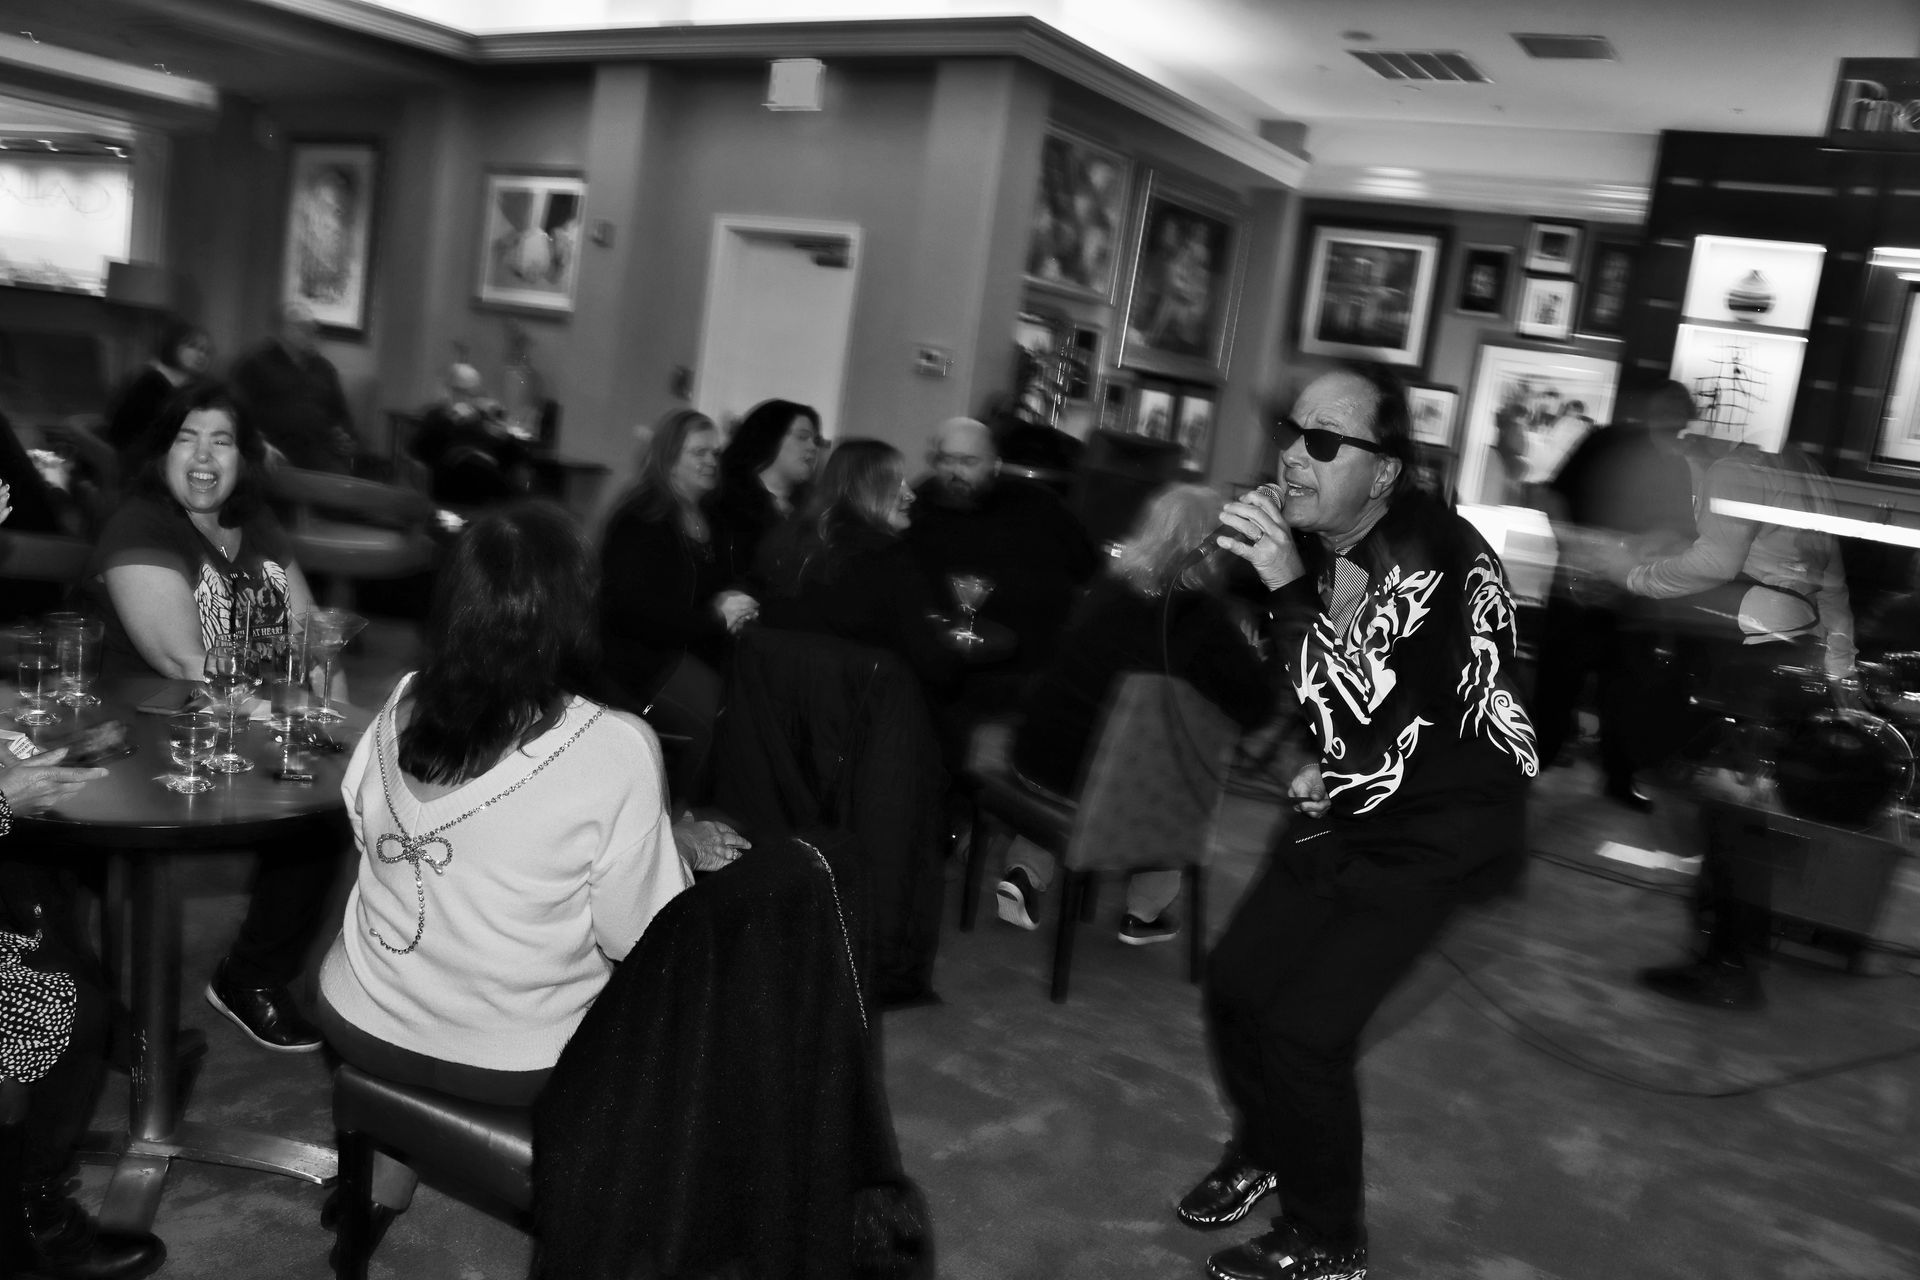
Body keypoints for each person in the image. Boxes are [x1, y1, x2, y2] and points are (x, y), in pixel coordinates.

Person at [1180, 364, 1536, 1280]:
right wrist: (1310, 761)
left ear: (1384, 472)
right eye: (1293, 434)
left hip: (1437, 831)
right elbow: (1320, 705)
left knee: (1306, 1032)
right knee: (1235, 981)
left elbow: (1374, 719)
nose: (1294, 457)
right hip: (1352, 805)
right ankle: (1267, 1147)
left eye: (1325, 443)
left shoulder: (1436, 565)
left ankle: (1328, 1236)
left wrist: (1285, 587)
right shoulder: (1332, 544)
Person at [317, 502, 743, 1226]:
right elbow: (643, 937)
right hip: (510, 1061)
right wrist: (677, 851)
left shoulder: (403, 700)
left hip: (358, 1015)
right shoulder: (614, 745)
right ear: (578, 612)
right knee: (707, 997)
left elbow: (367, 829)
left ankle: (383, 1174)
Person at [81, 382, 338, 1052]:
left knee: (329, 787)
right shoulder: (139, 524)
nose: (203, 455)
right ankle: (109, 1010)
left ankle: (253, 975)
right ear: (162, 452)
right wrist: (279, 709)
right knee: (306, 774)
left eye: (221, 440)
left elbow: (309, 632)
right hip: (147, 746)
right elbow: (182, 658)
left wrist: (318, 687)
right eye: (185, 437)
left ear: (245, 458)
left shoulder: (256, 524)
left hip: (239, 724)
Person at [1584, 435, 1858, 1010]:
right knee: (1747, 813)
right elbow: (1834, 587)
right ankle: (1737, 944)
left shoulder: (1731, 472)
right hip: (1791, 647)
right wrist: (1840, 672)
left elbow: (1715, 562)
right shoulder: (1807, 471)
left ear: (1693, 460)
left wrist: (1634, 575)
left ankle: (1725, 966)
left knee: (1726, 813)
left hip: (1746, 648)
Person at [995, 483, 1274, 943]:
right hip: (1110, 794)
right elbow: (1256, 708)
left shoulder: (1106, 588)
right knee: (1180, 760)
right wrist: (1249, 656)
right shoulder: (1203, 619)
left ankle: (1025, 871)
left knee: (1086, 734)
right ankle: (1144, 912)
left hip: (1032, 764)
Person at [1534, 379, 1699, 809]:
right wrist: (1572, 547)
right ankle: (1532, 764)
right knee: (1558, 681)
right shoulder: (1604, 441)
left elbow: (1681, 532)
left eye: (1678, 424)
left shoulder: (1676, 466)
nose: (1673, 430)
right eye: (1668, 419)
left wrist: (1646, 550)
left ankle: (1618, 777)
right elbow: (1552, 496)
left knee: (1625, 687)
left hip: (1629, 591)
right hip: (1578, 578)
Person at [598, 409, 758, 804]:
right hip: (643, 664)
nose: (711, 462)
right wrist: (714, 619)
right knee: (721, 724)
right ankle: (675, 821)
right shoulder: (641, 520)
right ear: (669, 459)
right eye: (699, 452)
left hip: (694, 655)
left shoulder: (712, 519)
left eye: (715, 453)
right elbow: (632, 610)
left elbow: (713, 588)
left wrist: (733, 603)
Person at [903, 416, 1098, 685]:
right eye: (946, 460)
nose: (955, 472)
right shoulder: (916, 507)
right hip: (940, 668)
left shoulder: (1040, 506)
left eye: (969, 461)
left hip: (1029, 669)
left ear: (995, 464)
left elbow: (1089, 571)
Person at [757, 438, 958, 691]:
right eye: (895, 482)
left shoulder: (784, 543)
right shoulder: (886, 560)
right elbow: (935, 668)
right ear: (865, 489)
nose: (910, 494)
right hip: (863, 715)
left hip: (781, 709)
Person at [229, 302, 363, 473]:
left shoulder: (324, 369)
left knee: (340, 480)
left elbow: (342, 414)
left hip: (319, 450)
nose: (312, 334)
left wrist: (346, 436)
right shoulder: (254, 364)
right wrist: (257, 442)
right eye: (304, 328)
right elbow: (236, 409)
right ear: (283, 330)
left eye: (313, 329)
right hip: (274, 448)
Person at [406, 363, 533, 507]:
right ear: (448, 390)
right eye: (461, 391)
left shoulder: (487, 418)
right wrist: (450, 420)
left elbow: (516, 458)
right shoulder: (438, 417)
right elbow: (418, 450)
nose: (468, 398)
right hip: (451, 485)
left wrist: (505, 435)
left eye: (473, 393)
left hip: (490, 489)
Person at [714, 398, 821, 568]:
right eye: (802, 437)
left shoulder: (816, 509)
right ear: (770, 437)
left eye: (816, 440)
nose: (813, 447)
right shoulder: (723, 501)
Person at [103, 319, 213, 457]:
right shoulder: (148, 383)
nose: (201, 355)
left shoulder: (194, 386)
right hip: (137, 459)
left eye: (205, 351)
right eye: (192, 346)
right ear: (173, 345)